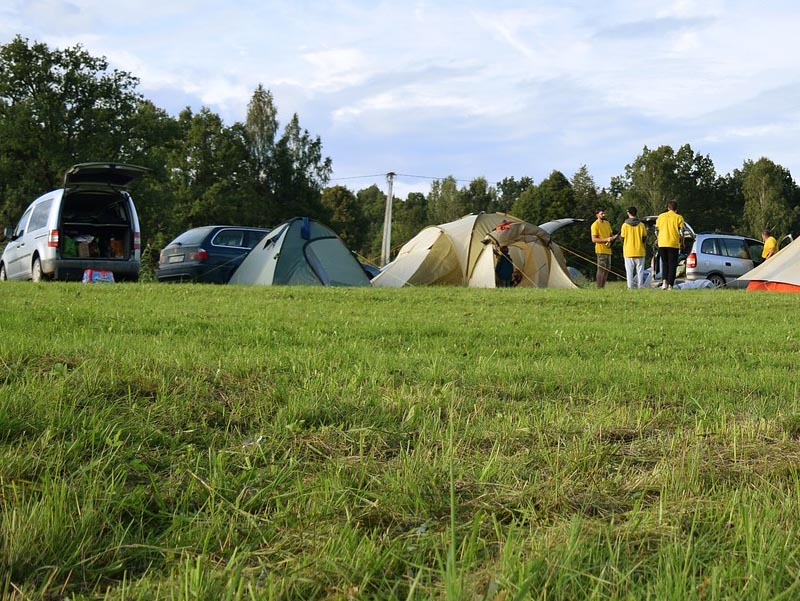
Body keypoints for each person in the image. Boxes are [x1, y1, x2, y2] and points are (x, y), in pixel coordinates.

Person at [655, 200, 685, 289]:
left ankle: (664, 282)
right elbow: (681, 232)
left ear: (668, 208)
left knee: (665, 263)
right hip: (673, 243)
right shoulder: (679, 217)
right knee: (672, 264)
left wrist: (658, 238)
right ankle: (670, 285)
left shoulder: (660, 217)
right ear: (676, 209)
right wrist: (682, 242)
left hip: (662, 243)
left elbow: (656, 230)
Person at [619, 206, 648, 289]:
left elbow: (622, 238)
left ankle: (630, 287)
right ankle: (640, 286)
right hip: (640, 251)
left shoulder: (625, 225)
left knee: (629, 272)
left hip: (628, 251)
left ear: (628, 213)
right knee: (640, 271)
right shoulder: (641, 225)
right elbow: (644, 238)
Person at [590, 208, 617, 288]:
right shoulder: (595, 225)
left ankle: (603, 286)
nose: (604, 215)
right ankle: (599, 287)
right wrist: (606, 239)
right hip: (600, 250)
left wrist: (614, 237)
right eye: (602, 214)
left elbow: (610, 235)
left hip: (608, 250)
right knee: (601, 269)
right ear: (597, 215)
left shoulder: (607, 223)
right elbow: (594, 239)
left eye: (604, 213)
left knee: (607, 269)